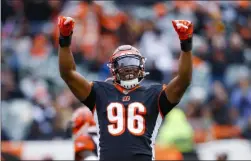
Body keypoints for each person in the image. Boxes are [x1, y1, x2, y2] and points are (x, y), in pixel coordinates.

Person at [58, 16, 193, 161]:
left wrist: (186, 44)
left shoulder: (154, 94)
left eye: (132, 63)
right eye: (123, 64)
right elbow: (68, 74)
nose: (128, 68)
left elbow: (183, 80)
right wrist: (64, 40)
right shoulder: (100, 92)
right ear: (113, 69)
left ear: (142, 67)